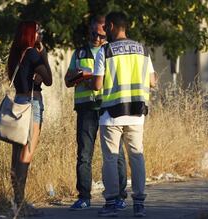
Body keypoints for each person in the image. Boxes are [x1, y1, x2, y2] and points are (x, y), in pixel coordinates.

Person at [91, 11, 157, 217]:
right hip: (136, 114)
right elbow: (153, 81)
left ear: (110, 26)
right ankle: (139, 204)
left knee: (110, 159)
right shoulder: (142, 50)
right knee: (137, 157)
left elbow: (97, 85)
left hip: (111, 115)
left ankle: (111, 203)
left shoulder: (106, 51)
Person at [64, 16, 128, 211]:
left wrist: (92, 78)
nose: (97, 38)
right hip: (86, 109)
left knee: (116, 154)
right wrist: (77, 76)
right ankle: (84, 196)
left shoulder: (111, 52)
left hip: (107, 107)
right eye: (94, 33)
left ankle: (119, 195)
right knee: (84, 154)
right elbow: (67, 80)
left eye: (101, 35)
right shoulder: (80, 52)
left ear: (107, 32)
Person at [7, 20, 52, 217]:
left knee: (16, 155)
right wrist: (44, 55)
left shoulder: (16, 54)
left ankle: (17, 201)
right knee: (27, 153)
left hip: (18, 101)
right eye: (38, 30)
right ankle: (21, 203)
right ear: (31, 34)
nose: (41, 33)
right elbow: (49, 79)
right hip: (32, 105)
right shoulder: (33, 53)